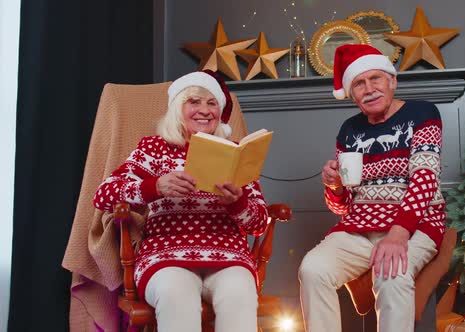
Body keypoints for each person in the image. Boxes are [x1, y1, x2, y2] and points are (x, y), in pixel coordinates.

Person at [93, 70, 268, 332]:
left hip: (229, 257)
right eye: (194, 102)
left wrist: (237, 203)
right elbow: (104, 194)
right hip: (166, 256)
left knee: (240, 295)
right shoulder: (154, 148)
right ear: (178, 107)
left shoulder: (235, 151)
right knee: (176, 296)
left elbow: (259, 223)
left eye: (212, 103)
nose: (205, 110)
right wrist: (155, 187)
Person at [299, 44, 446, 332]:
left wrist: (399, 233)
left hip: (415, 225)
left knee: (392, 275)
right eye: (358, 83)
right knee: (312, 269)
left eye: (375, 79)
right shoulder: (349, 130)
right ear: (351, 93)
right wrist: (335, 186)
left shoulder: (423, 113)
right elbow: (342, 207)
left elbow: (425, 178)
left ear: (392, 80)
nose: (369, 89)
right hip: (359, 229)